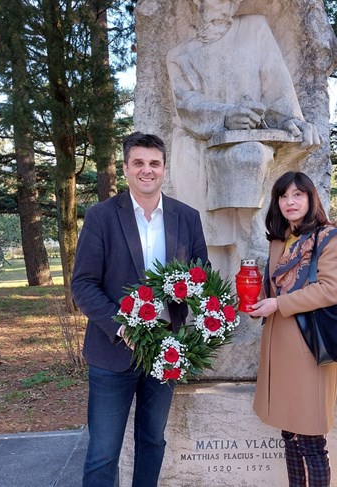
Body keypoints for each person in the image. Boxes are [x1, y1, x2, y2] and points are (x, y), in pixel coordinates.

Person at [71, 132, 208, 487]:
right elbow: (83, 284)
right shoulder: (102, 216)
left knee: (152, 441)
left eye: (154, 163)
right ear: (126, 168)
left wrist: (208, 315)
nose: (147, 170)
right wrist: (121, 326)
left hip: (166, 352)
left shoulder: (186, 217)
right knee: (103, 452)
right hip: (112, 351)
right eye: (139, 163)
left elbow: (199, 276)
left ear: (164, 169)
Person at [166, 0, 320, 273]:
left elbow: (278, 92)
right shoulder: (180, 55)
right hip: (198, 150)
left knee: (251, 160)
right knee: (205, 243)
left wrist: (293, 122)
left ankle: (255, 273)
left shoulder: (255, 29)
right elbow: (186, 106)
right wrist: (226, 115)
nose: (212, 7)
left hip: (248, 152)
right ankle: (208, 309)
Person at [249, 171, 337, 487]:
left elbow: (332, 290)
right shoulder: (279, 239)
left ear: (310, 198)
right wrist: (258, 300)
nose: (290, 202)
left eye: (297, 195)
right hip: (279, 347)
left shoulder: (329, 237)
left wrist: (278, 305)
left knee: (311, 441)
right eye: (283, 196)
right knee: (288, 433)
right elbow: (276, 289)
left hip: (310, 348)